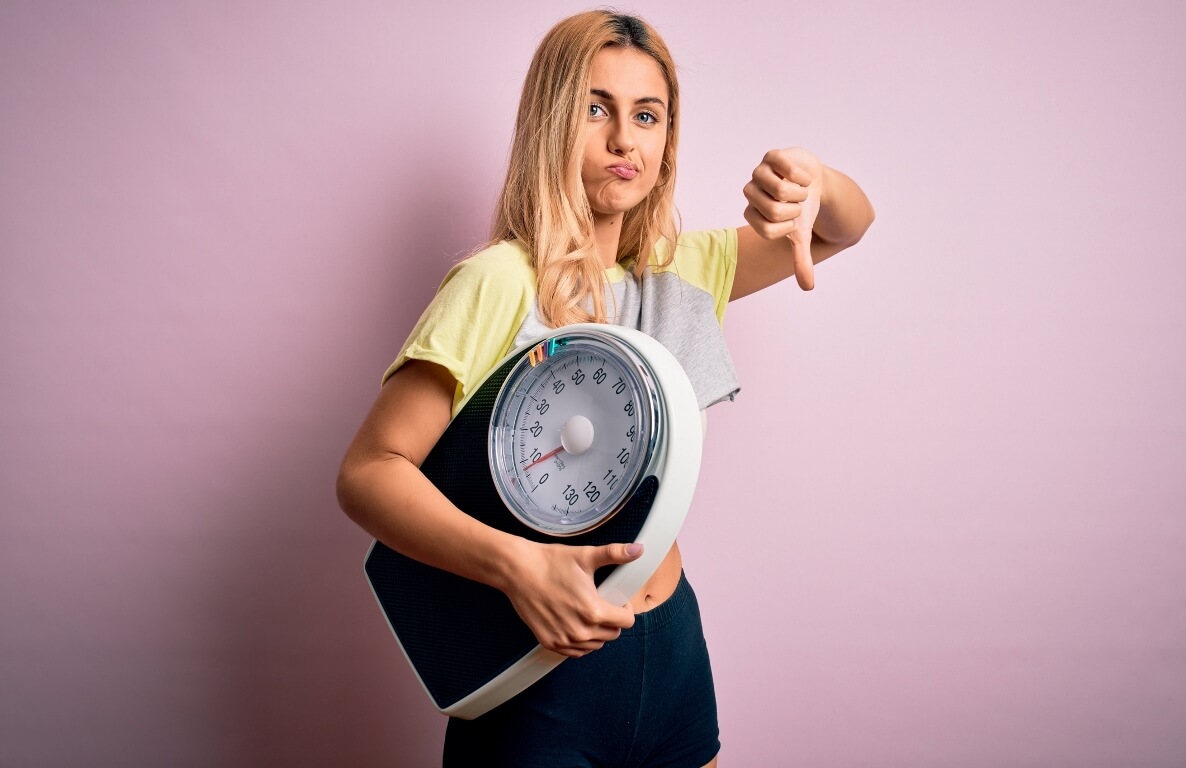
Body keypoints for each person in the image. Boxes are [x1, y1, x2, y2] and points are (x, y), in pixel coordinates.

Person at [337, 10, 874, 767]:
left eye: (647, 116)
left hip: (673, 651)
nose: (625, 139)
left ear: (665, 141)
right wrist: (515, 566)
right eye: (597, 109)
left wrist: (816, 181)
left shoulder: (682, 271)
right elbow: (368, 473)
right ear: (552, 123)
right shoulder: (496, 282)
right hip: (536, 671)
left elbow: (843, 229)